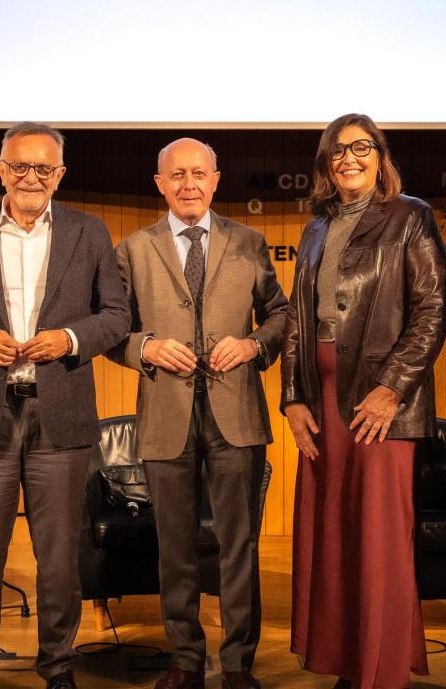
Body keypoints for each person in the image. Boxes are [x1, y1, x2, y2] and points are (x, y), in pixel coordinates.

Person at [0, 122, 131, 689]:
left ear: (60, 175)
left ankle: (58, 667)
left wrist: (68, 339)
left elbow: (115, 315)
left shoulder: (89, 232)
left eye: (44, 168)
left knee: (59, 559)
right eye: (20, 166)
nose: (31, 178)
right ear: (1, 171)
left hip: (61, 415)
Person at [107, 138, 291, 689]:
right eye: (176, 175)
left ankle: (238, 663)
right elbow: (111, 328)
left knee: (239, 545)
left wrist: (255, 345)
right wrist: (146, 347)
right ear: (159, 183)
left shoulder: (250, 242)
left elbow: (281, 314)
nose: (188, 184)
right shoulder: (133, 249)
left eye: (198, 174)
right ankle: (185, 659)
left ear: (216, 180)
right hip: (166, 413)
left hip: (236, 412)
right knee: (176, 548)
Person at [282, 113, 446, 689]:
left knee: (377, 538)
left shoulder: (411, 216)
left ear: (381, 156)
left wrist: (392, 388)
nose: (349, 158)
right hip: (322, 401)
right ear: (326, 164)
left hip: (381, 405)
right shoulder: (315, 229)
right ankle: (347, 662)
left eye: (361, 147)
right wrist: (292, 399)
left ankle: (380, 672)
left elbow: (431, 310)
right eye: (337, 150)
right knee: (331, 534)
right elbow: (298, 324)